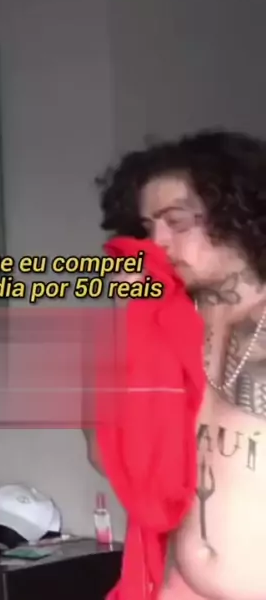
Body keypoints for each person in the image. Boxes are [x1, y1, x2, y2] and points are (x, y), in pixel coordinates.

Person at [87, 130, 266, 600]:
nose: (158, 242)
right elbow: (106, 459)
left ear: (238, 215)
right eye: (149, 227)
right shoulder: (166, 327)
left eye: (177, 221)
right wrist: (125, 321)